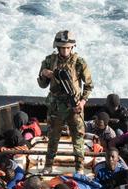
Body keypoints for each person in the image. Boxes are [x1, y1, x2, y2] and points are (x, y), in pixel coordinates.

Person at [37, 30, 93, 173]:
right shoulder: (50, 61)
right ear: (57, 47)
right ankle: (48, 165)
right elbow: (42, 85)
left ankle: (79, 167)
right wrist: (44, 73)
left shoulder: (79, 63)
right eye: (63, 47)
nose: (65, 50)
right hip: (56, 106)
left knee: (78, 138)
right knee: (53, 137)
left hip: (74, 106)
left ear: (72, 47)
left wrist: (82, 102)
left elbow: (88, 85)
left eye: (68, 47)